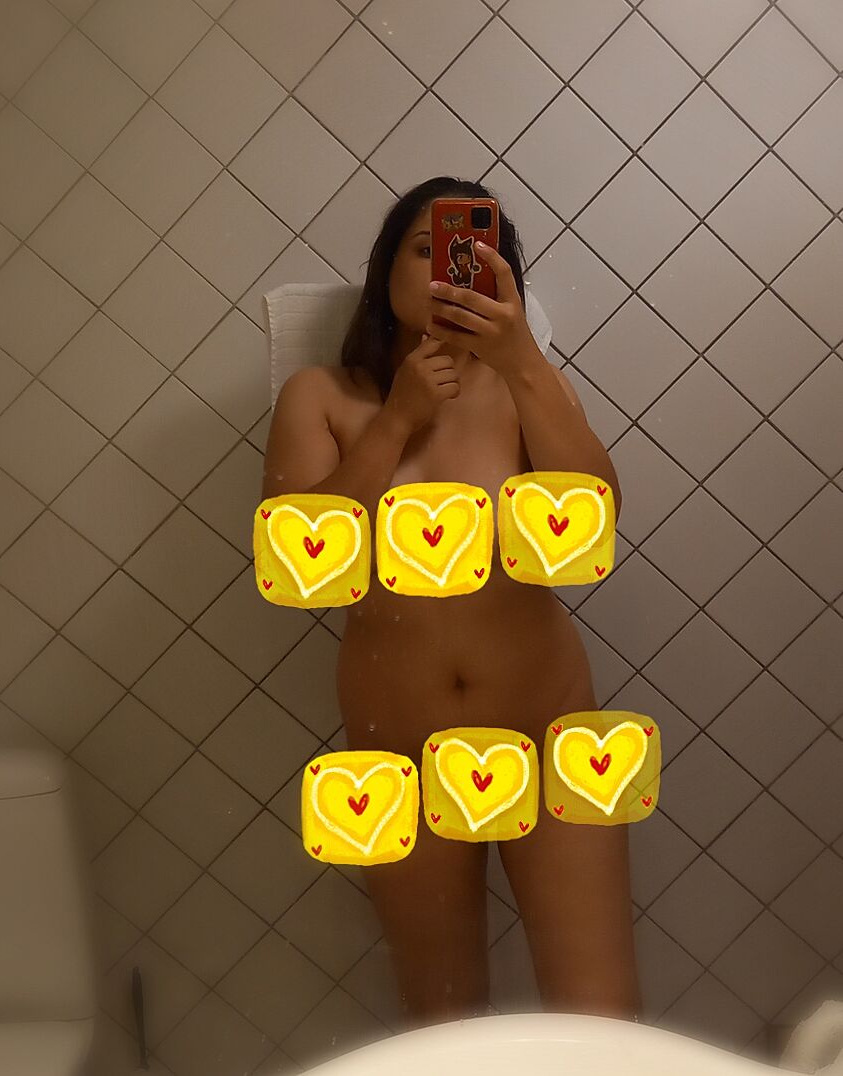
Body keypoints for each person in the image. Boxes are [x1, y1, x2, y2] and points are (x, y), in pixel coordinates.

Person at [262, 176, 642, 1032]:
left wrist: (522, 361)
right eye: (424, 249)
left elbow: (596, 520)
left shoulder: (529, 389)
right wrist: (395, 421)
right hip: (396, 756)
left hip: (549, 736)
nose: (447, 269)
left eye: (471, 252)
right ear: (384, 270)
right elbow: (297, 564)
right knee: (442, 1022)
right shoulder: (322, 396)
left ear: (502, 279)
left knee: (601, 1017)